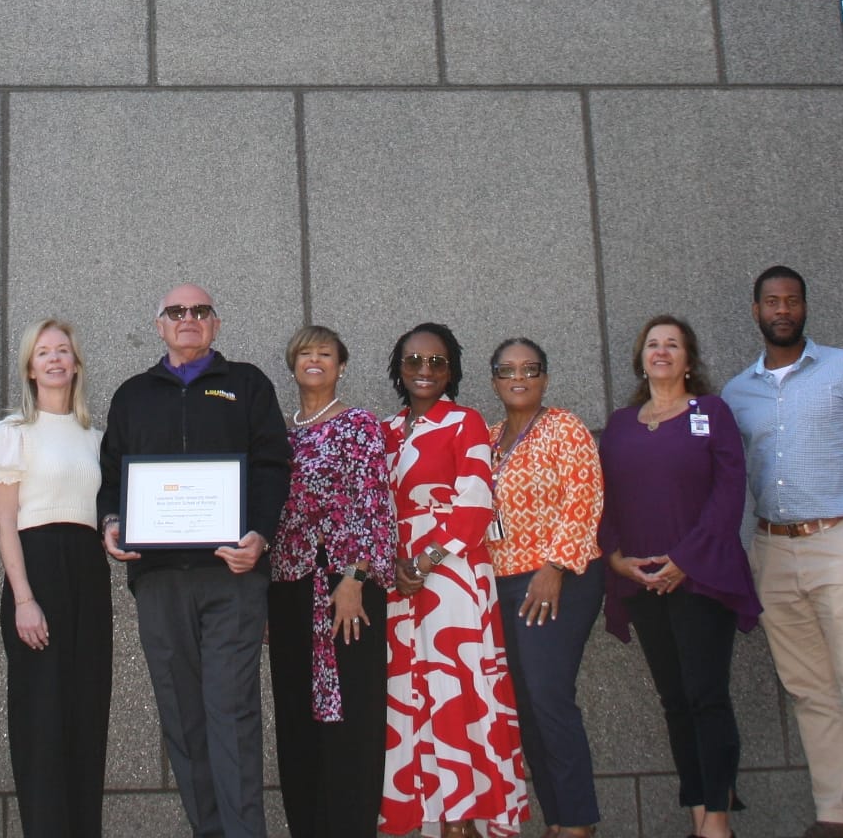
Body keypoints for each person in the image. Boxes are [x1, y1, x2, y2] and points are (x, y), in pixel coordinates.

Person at [98, 283, 291, 838]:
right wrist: (111, 523)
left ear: (216, 323)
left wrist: (260, 535)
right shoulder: (132, 395)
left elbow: (273, 467)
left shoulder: (247, 384)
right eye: (176, 311)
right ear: (159, 325)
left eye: (200, 310)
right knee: (183, 720)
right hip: (158, 582)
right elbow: (112, 478)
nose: (189, 318)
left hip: (231, 577)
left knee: (231, 716)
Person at [721, 266, 843, 838]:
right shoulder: (736, 392)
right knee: (809, 688)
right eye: (772, 302)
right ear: (755, 311)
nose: (782, 310)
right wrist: (749, 550)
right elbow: (736, 479)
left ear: (805, 307)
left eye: (792, 301)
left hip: (841, 542)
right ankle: (837, 813)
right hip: (774, 551)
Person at [599, 316, 759, 838]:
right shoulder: (621, 424)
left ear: (689, 360)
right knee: (674, 700)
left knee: (705, 695)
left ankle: (717, 821)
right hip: (641, 582)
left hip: (701, 578)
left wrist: (686, 559)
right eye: (653, 344)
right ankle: (698, 812)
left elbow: (728, 494)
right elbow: (607, 504)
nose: (662, 351)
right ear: (640, 358)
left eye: (673, 344)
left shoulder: (711, 413)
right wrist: (616, 558)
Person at [379, 322, 527, 838]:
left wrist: (423, 562)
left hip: (453, 575)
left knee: (456, 690)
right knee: (411, 692)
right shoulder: (385, 431)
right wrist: (397, 566)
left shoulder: (465, 422)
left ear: (452, 371)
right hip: (398, 583)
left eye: (437, 362)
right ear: (399, 367)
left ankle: (464, 820)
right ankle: (428, 819)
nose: (425, 370)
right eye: (415, 360)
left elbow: (475, 506)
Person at [0, 319, 112, 838]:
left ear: (76, 363)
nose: (54, 359)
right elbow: (5, 526)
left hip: (88, 575)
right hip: (36, 572)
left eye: (63, 351)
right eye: (43, 352)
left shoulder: (96, 437)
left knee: (86, 709)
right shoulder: (11, 435)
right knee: (42, 717)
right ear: (30, 368)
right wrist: (24, 600)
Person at [266, 325, 394, 838]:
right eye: (304, 353)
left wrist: (354, 577)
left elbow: (373, 506)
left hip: (345, 590)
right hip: (288, 589)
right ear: (292, 364)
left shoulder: (359, 424)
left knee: (349, 721)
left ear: (341, 366)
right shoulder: (277, 433)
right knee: (298, 718)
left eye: (325, 353)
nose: (314, 360)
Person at [485, 337, 605, 838]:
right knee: (526, 704)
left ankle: (578, 823)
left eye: (530, 368)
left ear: (545, 378)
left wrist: (554, 566)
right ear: (494, 379)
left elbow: (586, 495)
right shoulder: (489, 438)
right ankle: (557, 817)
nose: (520, 377)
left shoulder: (565, 427)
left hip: (560, 579)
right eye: (508, 369)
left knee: (550, 695)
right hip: (503, 583)